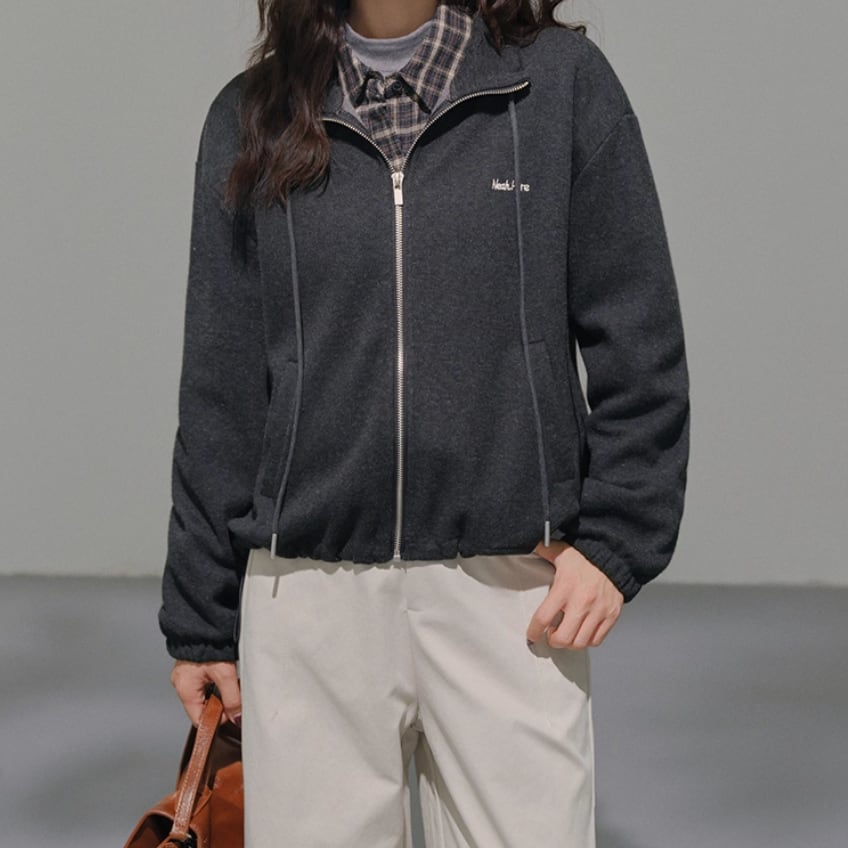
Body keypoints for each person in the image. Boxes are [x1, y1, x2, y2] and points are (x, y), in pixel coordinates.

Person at [159, 0, 690, 845]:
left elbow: (639, 332)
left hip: (511, 593)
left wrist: (618, 542)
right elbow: (221, 387)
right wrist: (201, 621)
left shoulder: (556, 88)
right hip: (308, 598)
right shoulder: (252, 114)